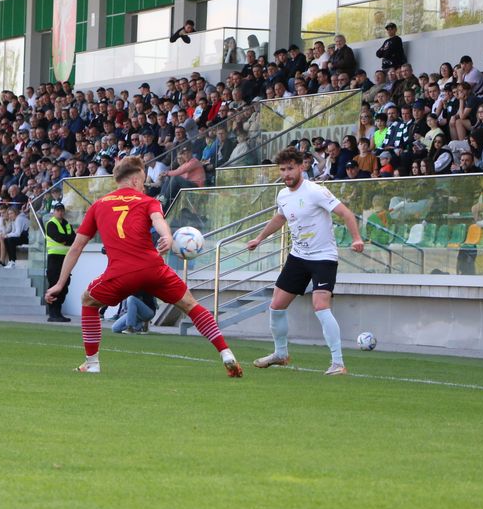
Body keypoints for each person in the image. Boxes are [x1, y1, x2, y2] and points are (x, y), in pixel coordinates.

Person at [44, 156, 242, 377]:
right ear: (137, 180)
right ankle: (225, 353)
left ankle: (92, 362)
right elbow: (158, 220)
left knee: (88, 301)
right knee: (190, 305)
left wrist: (60, 283)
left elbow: (76, 246)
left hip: (121, 273)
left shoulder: (98, 205)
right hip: (153, 268)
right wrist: (167, 237)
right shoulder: (147, 201)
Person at [246, 147, 364, 376]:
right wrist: (259, 239)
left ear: (302, 167)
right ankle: (281, 353)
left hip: (323, 258)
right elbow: (280, 217)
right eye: (282, 169)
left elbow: (346, 213)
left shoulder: (316, 191)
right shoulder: (282, 195)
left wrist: (357, 238)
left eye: (290, 168)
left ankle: (338, 363)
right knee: (276, 306)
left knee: (320, 305)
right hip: (298, 257)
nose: (286, 173)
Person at [44, 202, 75, 322]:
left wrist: (65, 240)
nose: (60, 212)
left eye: (62, 210)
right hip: (54, 257)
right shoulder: (51, 224)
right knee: (54, 284)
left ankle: (58, 312)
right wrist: (66, 239)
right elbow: (59, 238)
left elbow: (73, 238)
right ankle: (53, 313)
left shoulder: (67, 224)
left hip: (66, 258)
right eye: (58, 210)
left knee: (64, 285)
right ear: (54, 211)